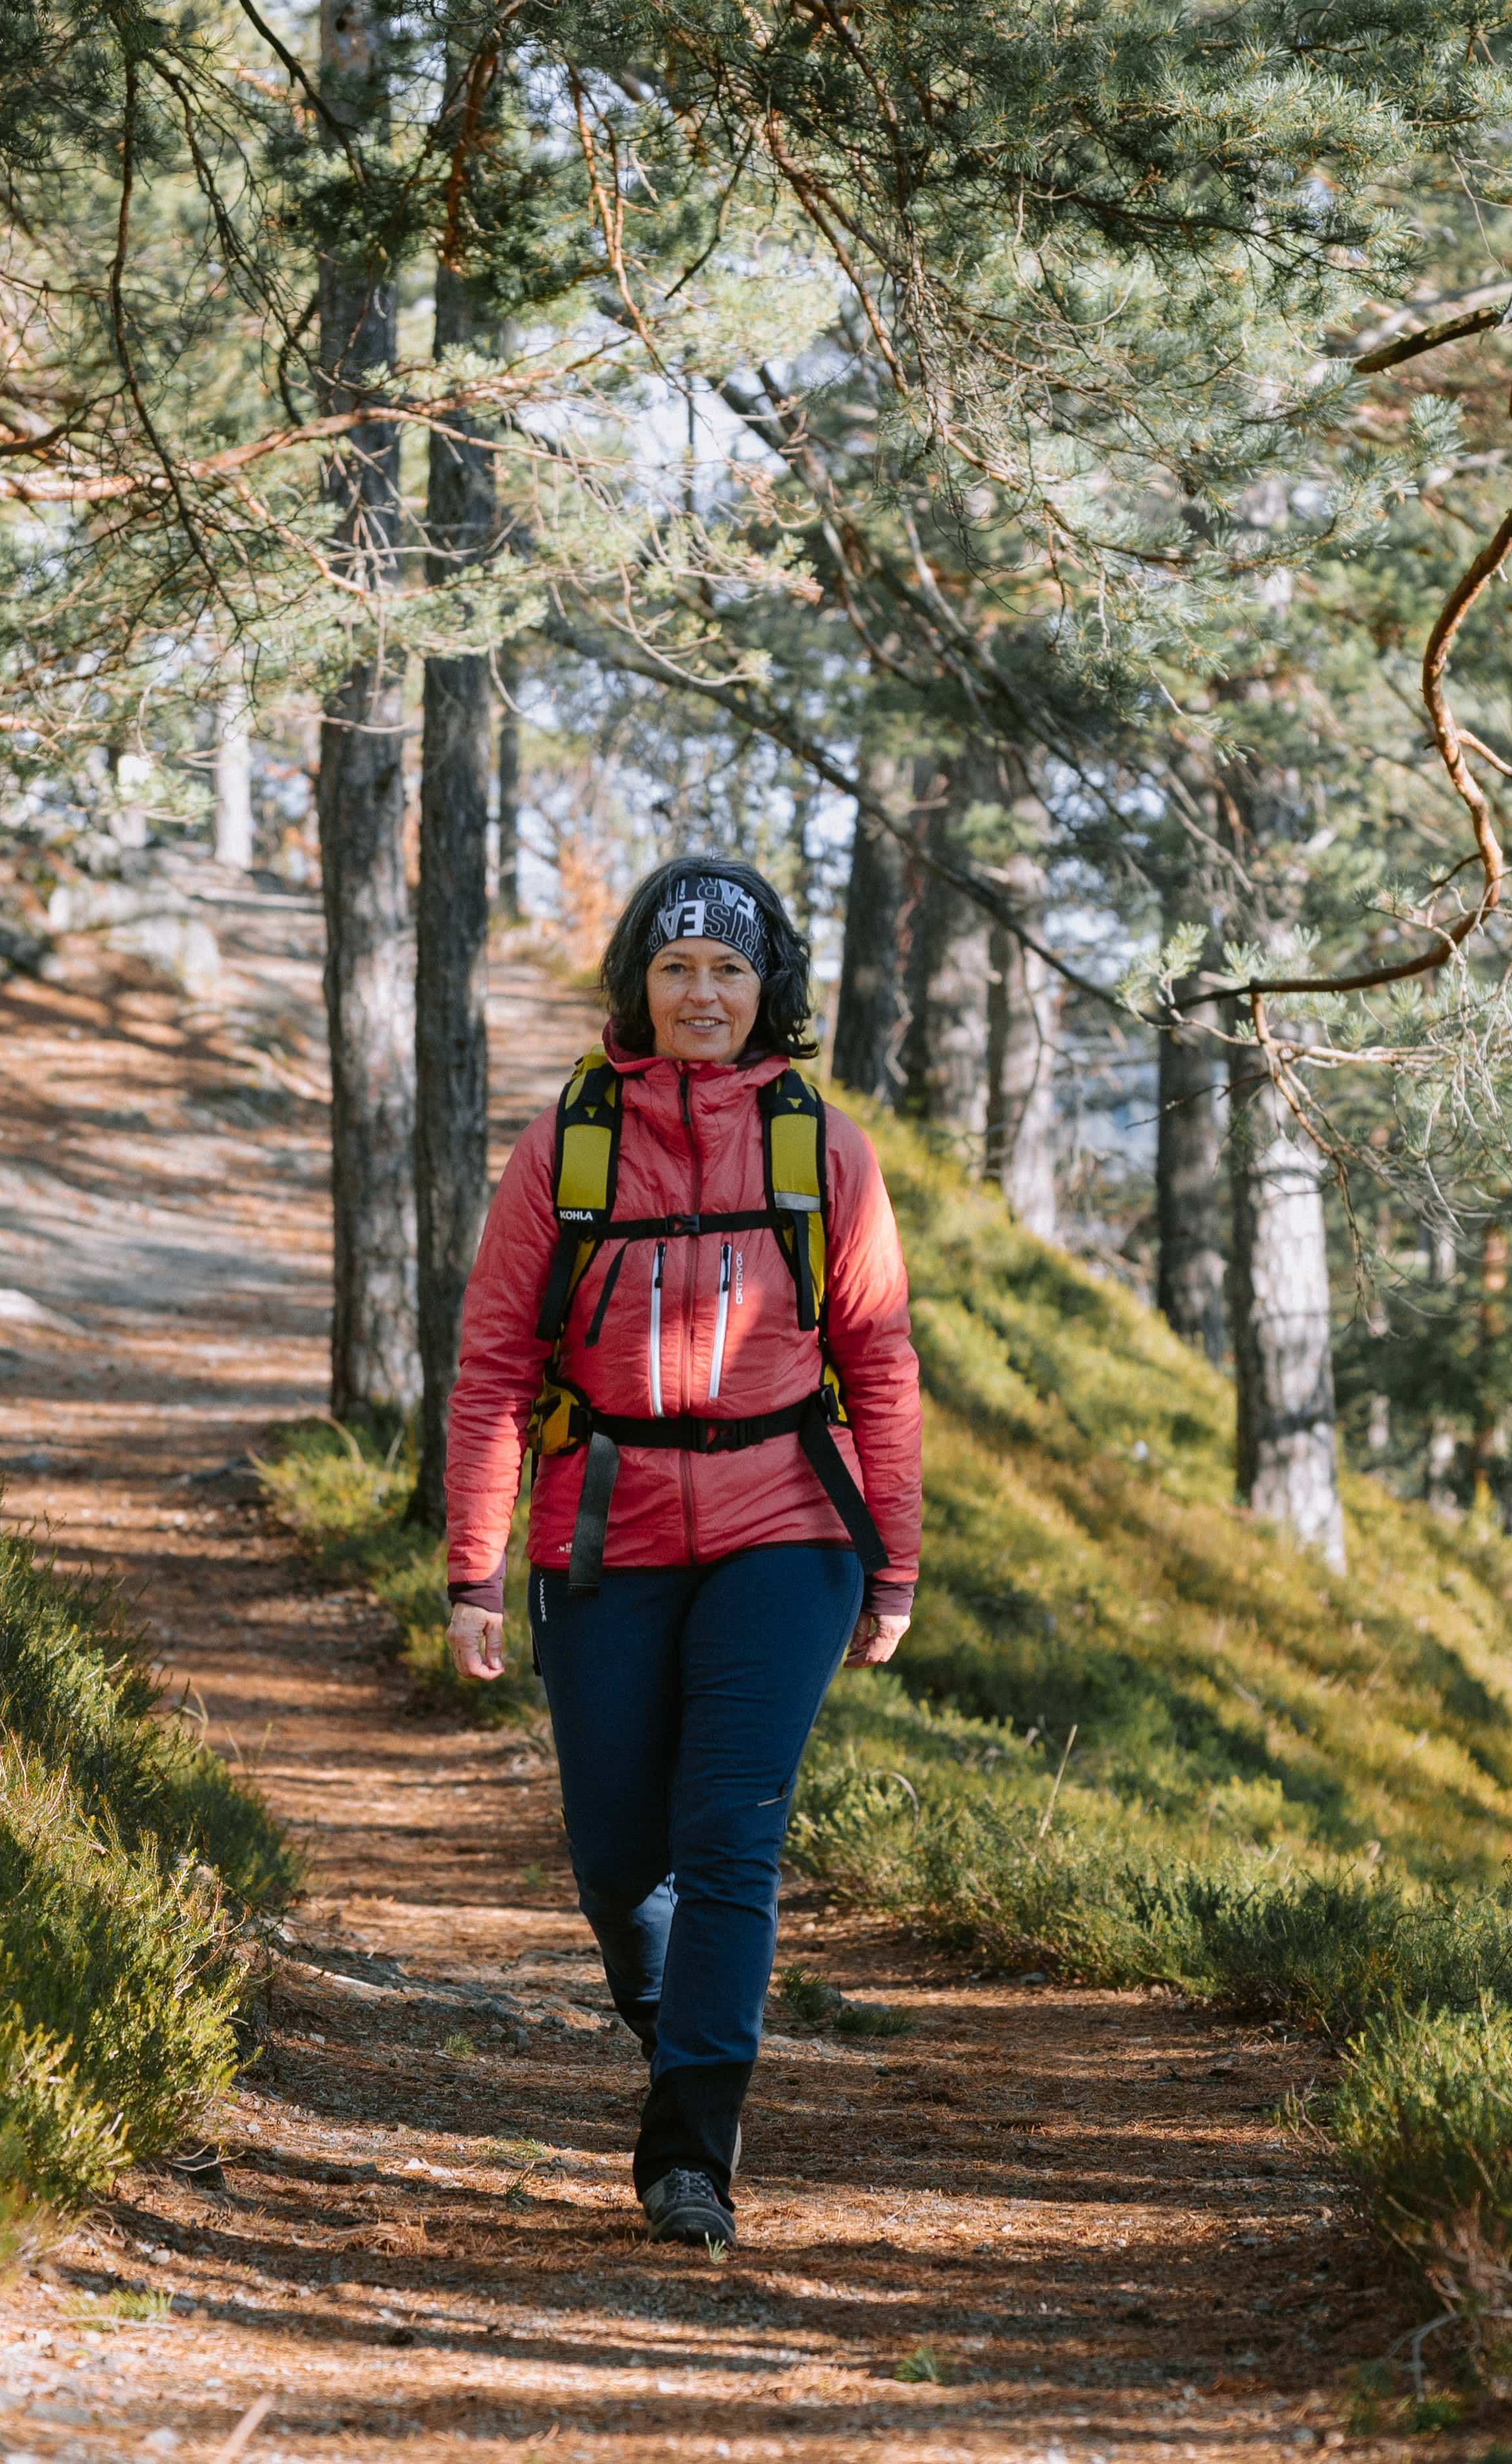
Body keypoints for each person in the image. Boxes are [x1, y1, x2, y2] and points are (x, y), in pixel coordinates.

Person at [442, 854, 923, 2250]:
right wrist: (475, 1568)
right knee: (616, 1863)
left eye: (728, 968)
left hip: (788, 1527)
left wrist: (891, 1562)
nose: (702, 992)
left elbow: (879, 1365)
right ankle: (686, 2040)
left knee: (730, 1836)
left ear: (767, 986)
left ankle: (693, 2146)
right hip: (609, 1530)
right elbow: (490, 1369)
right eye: (675, 967)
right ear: (636, 987)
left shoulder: (821, 1149)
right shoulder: (565, 1149)